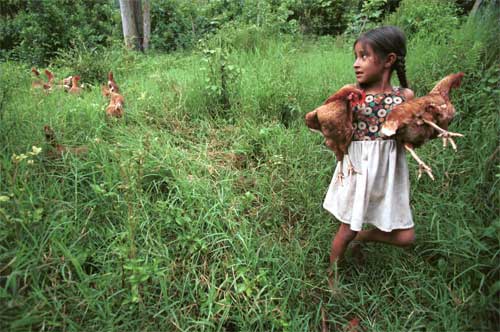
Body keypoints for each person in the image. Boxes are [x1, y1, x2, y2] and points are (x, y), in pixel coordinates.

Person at [323, 26, 416, 286]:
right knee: (347, 228)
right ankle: (332, 278)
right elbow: (333, 124)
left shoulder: (404, 96)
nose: (356, 64)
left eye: (364, 56)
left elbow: (412, 131)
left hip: (388, 171)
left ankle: (364, 236)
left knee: (406, 237)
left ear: (389, 60)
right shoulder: (355, 96)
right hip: (359, 169)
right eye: (355, 56)